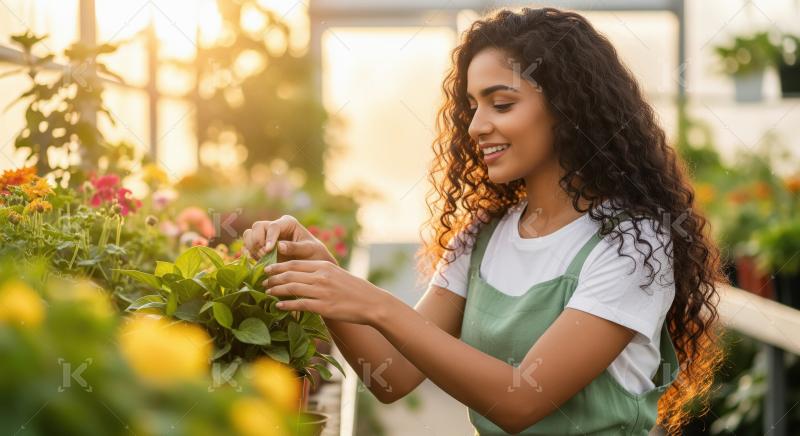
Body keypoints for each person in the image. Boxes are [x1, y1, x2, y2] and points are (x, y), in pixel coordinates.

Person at [243, 7, 725, 435]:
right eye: (473, 106)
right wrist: (325, 277)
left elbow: (521, 400)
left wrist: (373, 302)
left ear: (567, 110)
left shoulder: (632, 243)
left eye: (502, 103)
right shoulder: (482, 235)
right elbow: (391, 377)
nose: (475, 126)